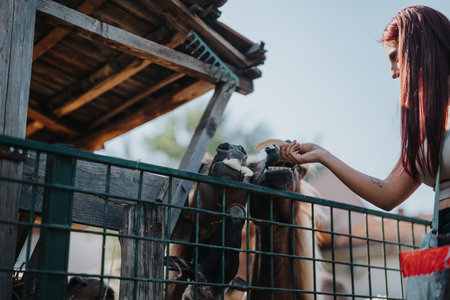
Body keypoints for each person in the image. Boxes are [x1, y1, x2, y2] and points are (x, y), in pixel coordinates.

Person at [281, 6, 450, 235]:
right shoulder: (424, 128)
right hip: (441, 242)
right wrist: (324, 156)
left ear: (419, 46)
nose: (393, 72)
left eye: (394, 57)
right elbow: (387, 194)